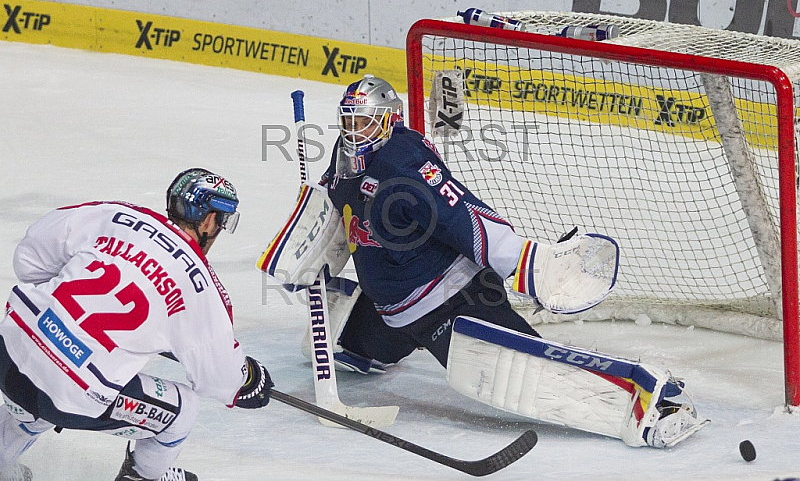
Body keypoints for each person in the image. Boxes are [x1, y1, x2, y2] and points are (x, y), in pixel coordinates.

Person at [267, 74, 708, 449]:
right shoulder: (346, 157)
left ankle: (650, 399)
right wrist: (307, 245)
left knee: (526, 378)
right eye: (347, 121)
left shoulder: (404, 163)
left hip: (452, 299)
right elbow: (335, 211)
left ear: (387, 118)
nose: (354, 130)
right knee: (350, 344)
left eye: (362, 121)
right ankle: (373, 346)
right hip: (395, 309)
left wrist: (526, 264)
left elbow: (463, 217)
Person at [0, 168, 273, 481]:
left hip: (9, 347)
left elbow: (30, 257)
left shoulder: (116, 215)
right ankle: (142, 476)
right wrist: (249, 379)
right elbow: (220, 379)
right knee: (182, 411)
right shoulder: (201, 286)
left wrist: (63, 313)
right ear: (209, 220)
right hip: (67, 393)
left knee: (44, 373)